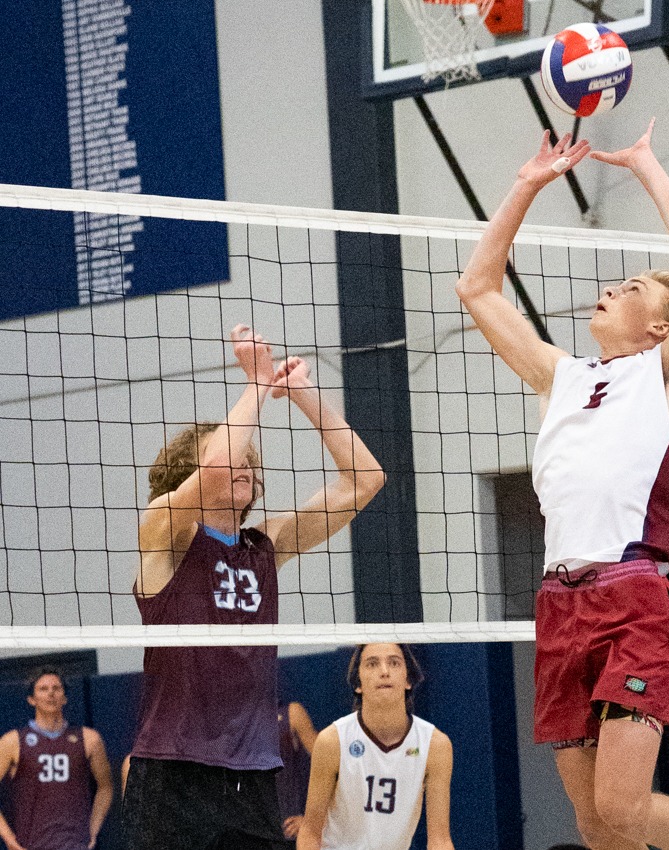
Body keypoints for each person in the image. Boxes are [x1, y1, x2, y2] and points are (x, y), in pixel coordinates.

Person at [454, 124, 669, 850]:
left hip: (632, 599)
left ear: (659, 326)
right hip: (559, 604)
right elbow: (476, 287)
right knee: (592, 824)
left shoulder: (666, 377)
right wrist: (526, 185)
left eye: (630, 289)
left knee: (622, 809)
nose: (608, 290)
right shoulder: (559, 375)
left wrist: (646, 165)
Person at [126, 325, 386, 850]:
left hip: (254, 775)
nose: (243, 462)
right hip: (175, 771)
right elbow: (218, 463)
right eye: (232, 454)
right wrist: (256, 384)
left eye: (250, 457)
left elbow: (365, 479)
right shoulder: (164, 530)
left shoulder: (264, 544)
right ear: (186, 472)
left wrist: (302, 394)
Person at [297, 644, 454, 850]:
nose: (384, 671)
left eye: (394, 663)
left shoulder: (435, 745)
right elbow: (310, 833)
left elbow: (440, 840)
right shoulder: (332, 741)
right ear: (358, 683)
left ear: (408, 680)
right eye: (372, 664)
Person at [0, 668, 115, 850]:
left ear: (65, 697)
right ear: (31, 699)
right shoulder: (12, 741)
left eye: (56, 688)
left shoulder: (89, 739)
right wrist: (9, 839)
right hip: (31, 844)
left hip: (74, 844)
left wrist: (92, 831)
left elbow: (106, 786)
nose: (51, 693)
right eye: (43, 689)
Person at [278, 701, 319, 844]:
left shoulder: (291, 713)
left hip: (290, 833)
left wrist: (313, 820)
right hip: (251, 833)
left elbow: (331, 769)